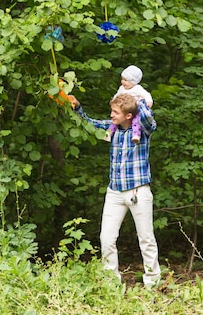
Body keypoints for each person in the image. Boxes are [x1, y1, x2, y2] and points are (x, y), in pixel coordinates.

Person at [68, 92, 160, 287]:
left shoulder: (142, 131)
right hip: (115, 192)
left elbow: (148, 119)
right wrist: (77, 107)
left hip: (138, 191)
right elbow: (90, 123)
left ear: (128, 115)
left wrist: (139, 99)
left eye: (115, 112)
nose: (111, 115)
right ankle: (111, 283)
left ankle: (153, 282)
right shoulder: (113, 129)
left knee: (146, 239)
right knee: (106, 238)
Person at [105, 65, 153, 144]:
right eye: (122, 79)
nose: (123, 82)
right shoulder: (122, 88)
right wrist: (114, 102)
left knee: (136, 122)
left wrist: (148, 103)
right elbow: (117, 96)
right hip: (123, 110)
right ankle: (109, 133)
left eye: (126, 80)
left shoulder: (138, 88)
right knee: (114, 122)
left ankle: (136, 135)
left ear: (133, 81)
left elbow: (147, 96)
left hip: (135, 110)